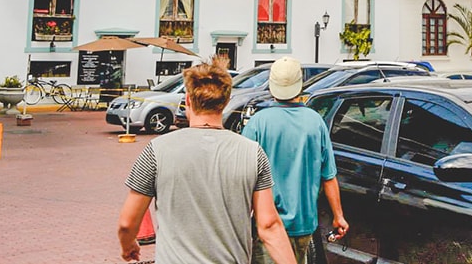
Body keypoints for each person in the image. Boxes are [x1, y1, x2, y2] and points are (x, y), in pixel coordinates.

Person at [117, 58, 296, 264]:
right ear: (226, 101)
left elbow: (127, 223)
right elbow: (269, 226)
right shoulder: (253, 153)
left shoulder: (156, 151)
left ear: (188, 101)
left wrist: (128, 245)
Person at [243, 56, 348, 264]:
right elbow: (328, 176)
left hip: (268, 225)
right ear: (299, 86)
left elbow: (241, 177)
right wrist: (338, 216)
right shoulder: (315, 122)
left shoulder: (258, 123)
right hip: (304, 223)